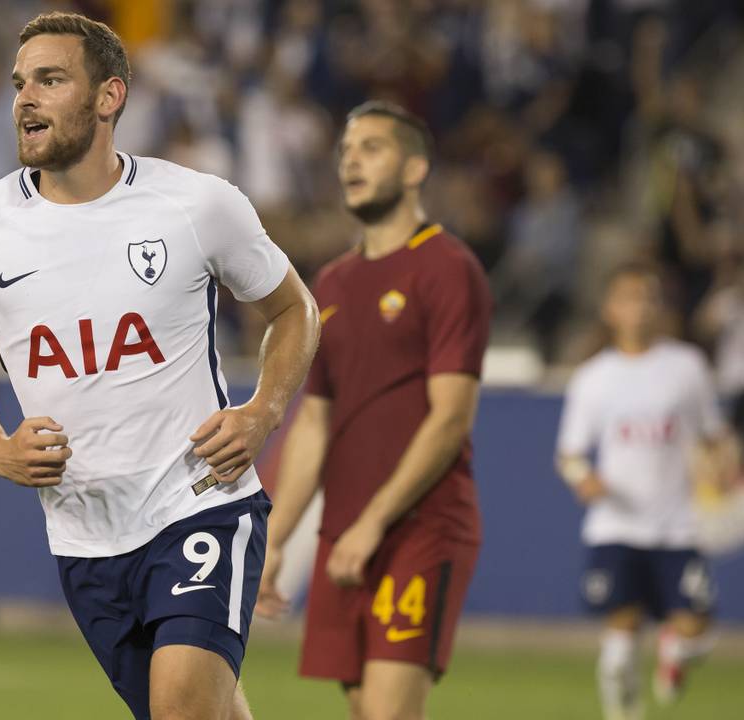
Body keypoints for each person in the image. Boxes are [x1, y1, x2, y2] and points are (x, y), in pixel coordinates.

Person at [0, 12, 319, 720]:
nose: (26, 98)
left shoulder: (196, 203)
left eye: (51, 80)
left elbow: (295, 311)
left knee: (181, 710)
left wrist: (262, 411)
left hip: (200, 501)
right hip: (86, 535)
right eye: (22, 83)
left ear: (109, 96)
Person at [257, 101, 492, 720]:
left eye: (371, 148)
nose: (351, 161)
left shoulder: (448, 269)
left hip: (421, 525)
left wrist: (374, 523)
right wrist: (276, 541)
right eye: (345, 151)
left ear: (415, 169)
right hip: (343, 532)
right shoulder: (329, 288)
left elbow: (450, 418)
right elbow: (314, 423)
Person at [555, 263, 740, 720]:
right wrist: (584, 478)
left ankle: (673, 654)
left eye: (647, 298)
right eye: (629, 298)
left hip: (676, 523)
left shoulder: (686, 367)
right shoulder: (593, 377)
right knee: (619, 640)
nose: (639, 308)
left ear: (659, 307)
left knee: (696, 630)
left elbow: (711, 435)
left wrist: (723, 467)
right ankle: (623, 708)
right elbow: (570, 452)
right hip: (616, 524)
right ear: (610, 309)